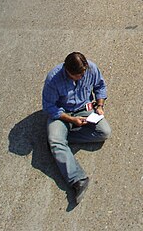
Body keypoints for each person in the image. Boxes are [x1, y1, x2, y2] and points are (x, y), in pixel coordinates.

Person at [42, 52, 111, 204]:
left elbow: (100, 86)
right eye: (77, 76)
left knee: (104, 132)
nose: (81, 77)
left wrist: (99, 106)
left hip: (84, 108)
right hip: (62, 113)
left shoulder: (91, 68)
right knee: (55, 139)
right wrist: (71, 119)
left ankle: (60, 143)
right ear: (67, 71)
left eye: (83, 74)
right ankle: (77, 180)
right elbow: (49, 107)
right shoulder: (53, 79)